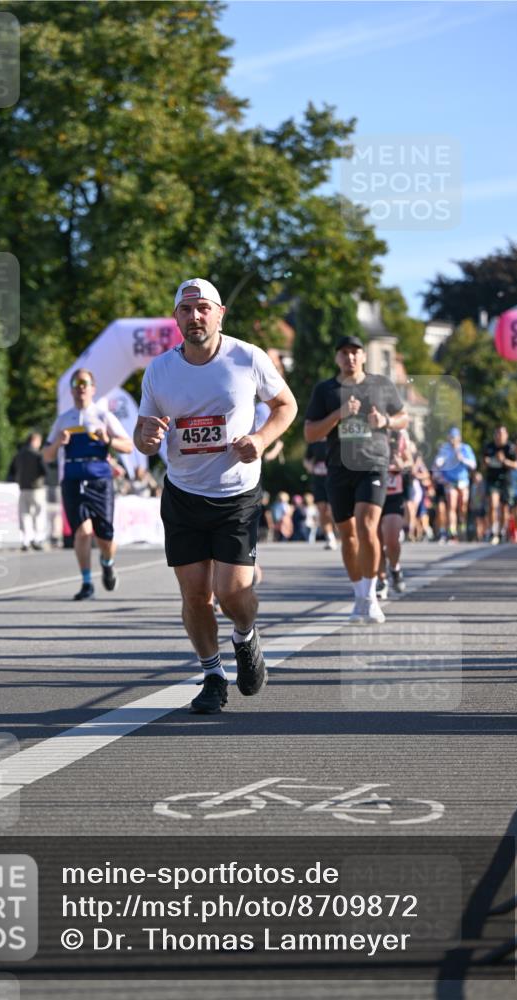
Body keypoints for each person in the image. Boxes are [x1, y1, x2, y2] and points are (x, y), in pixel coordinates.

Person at [134, 277, 297, 714]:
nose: (195, 317)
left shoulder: (247, 357)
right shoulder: (160, 371)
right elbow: (144, 435)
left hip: (236, 495)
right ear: (176, 319)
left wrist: (261, 440)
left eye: (203, 308)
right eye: (186, 311)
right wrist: (146, 437)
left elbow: (287, 406)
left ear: (219, 313)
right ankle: (211, 675)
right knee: (194, 596)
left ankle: (245, 636)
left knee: (232, 594)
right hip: (183, 494)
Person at [304, 334, 408, 625]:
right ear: (337, 358)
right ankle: (359, 595)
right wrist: (338, 414)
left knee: (366, 526)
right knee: (348, 536)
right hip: (338, 468)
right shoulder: (325, 390)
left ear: (364, 356)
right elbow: (310, 433)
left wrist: (385, 422)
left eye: (355, 352)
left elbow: (403, 418)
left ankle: (373, 596)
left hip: (373, 464)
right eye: (344, 352)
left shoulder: (380, 385)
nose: (350, 357)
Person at [43, 368, 133, 599]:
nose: (80, 387)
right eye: (76, 383)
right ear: (72, 389)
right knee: (82, 533)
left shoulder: (103, 416)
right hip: (72, 479)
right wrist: (58, 444)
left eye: (85, 383)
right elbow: (47, 456)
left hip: (99, 480)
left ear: (93, 389)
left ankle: (107, 562)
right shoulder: (64, 419)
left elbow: (128, 446)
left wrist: (108, 439)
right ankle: (86, 583)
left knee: (105, 537)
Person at [376, 428, 413, 599]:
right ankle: (381, 580)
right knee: (374, 541)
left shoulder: (400, 434)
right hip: (370, 491)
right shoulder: (366, 429)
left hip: (393, 494)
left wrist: (401, 465)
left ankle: (395, 569)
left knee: (391, 540)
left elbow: (409, 461)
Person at [433, 427, 476, 542]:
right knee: (451, 505)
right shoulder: (445, 449)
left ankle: (461, 523)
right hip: (450, 481)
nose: (452, 441)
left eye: (454, 438)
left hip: (463, 481)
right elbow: (438, 461)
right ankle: (452, 530)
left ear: (459, 438)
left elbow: (473, 465)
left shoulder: (465, 448)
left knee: (463, 505)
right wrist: (440, 462)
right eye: (450, 438)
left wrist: (462, 459)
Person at [9, 432, 48, 550]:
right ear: (35, 441)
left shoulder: (19, 455)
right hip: (37, 488)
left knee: (25, 514)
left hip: (23, 487)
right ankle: (37, 538)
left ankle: (26, 539)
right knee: (38, 514)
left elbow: (11, 471)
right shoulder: (38, 455)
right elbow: (45, 471)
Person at [483, 425, 517, 544]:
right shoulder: (489, 446)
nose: (499, 436)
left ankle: (502, 531)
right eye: (497, 434)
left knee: (505, 507)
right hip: (492, 479)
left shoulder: (510, 447)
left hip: (506, 480)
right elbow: (483, 463)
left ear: (506, 435)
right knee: (493, 504)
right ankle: (493, 530)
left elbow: (516, 465)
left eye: (502, 434)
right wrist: (486, 462)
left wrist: (503, 461)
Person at [303, 439, 336, 549]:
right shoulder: (314, 442)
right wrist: (310, 467)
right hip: (319, 480)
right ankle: (330, 538)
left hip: (333, 478)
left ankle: (337, 530)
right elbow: (306, 460)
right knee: (322, 509)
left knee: (332, 510)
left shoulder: (335, 438)